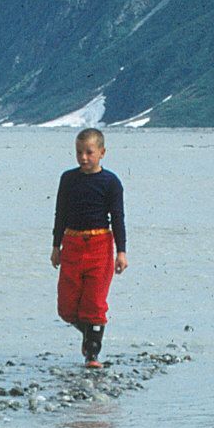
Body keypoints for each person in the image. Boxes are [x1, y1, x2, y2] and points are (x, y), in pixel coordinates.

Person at [50, 127, 128, 367]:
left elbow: (117, 217)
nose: (83, 157)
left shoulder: (111, 182)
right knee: (66, 307)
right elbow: (60, 213)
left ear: (102, 152)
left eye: (89, 152)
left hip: (100, 244)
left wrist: (121, 252)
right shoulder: (68, 179)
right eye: (79, 152)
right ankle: (90, 333)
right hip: (72, 243)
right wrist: (56, 246)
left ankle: (92, 353)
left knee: (94, 302)